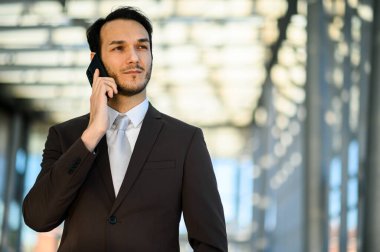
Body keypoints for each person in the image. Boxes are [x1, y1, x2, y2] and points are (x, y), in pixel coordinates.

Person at [22, 6, 228, 252]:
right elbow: (38, 217)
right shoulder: (65, 136)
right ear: (95, 60)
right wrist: (91, 136)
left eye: (142, 46)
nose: (134, 58)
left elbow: (211, 244)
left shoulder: (185, 141)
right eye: (119, 48)